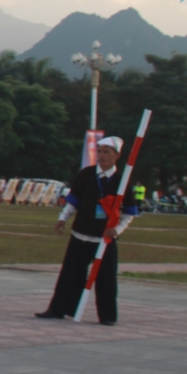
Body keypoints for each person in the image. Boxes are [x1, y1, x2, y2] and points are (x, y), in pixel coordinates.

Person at [36, 136, 139, 325]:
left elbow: (129, 213)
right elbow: (73, 201)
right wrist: (62, 218)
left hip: (104, 238)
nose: (101, 156)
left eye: (106, 152)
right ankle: (58, 309)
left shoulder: (122, 181)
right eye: (99, 151)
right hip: (80, 233)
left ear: (117, 155)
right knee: (70, 273)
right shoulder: (86, 174)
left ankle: (107, 316)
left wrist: (117, 230)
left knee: (106, 278)